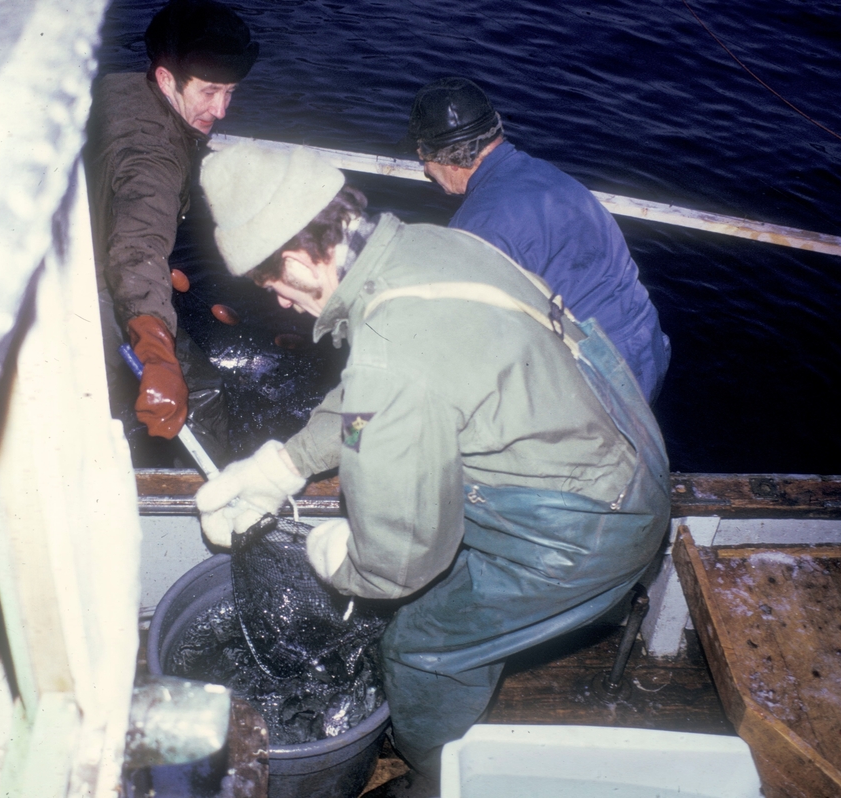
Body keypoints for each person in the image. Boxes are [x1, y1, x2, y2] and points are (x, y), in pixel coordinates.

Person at [193, 141, 671, 795]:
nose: (276, 301)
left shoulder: (391, 356)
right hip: (623, 451)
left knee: (421, 649)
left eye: (270, 282)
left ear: (304, 255)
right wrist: (285, 463)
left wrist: (344, 561)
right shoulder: (421, 251)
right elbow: (372, 400)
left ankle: (439, 779)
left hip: (585, 531)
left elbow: (399, 563)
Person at [404, 77, 671, 406]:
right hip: (648, 349)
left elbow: (456, 339)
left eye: (423, 158)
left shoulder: (478, 226)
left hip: (600, 381)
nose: (425, 170)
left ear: (443, 157)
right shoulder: (548, 176)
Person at [83, 0, 258, 464]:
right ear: (165, 80)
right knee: (200, 392)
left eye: (230, 93)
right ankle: (213, 512)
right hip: (99, 290)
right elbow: (137, 248)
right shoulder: (153, 159)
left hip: (77, 258)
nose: (221, 110)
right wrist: (157, 355)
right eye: (209, 92)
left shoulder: (117, 88)